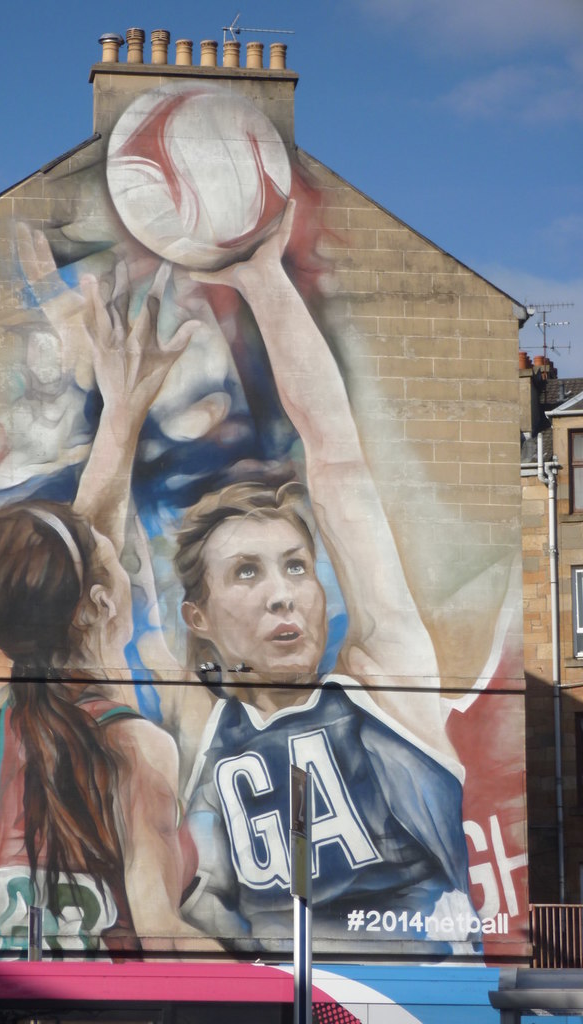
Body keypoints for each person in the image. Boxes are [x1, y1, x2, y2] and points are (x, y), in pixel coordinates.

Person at [172, 201, 478, 951]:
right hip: (279, 996)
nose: (283, 593)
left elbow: (337, 458)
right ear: (198, 619)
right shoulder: (200, 740)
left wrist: (264, 280)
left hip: (416, 993)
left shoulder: (384, 682)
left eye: (296, 566)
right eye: (247, 572)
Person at [0, 258, 212, 953]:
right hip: (105, 997)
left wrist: (122, 409)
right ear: (100, 604)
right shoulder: (134, 747)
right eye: (116, 558)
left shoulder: (9, 732)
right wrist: (296, 985)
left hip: (20, 991)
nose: (121, 550)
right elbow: (161, 936)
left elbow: (74, 556)